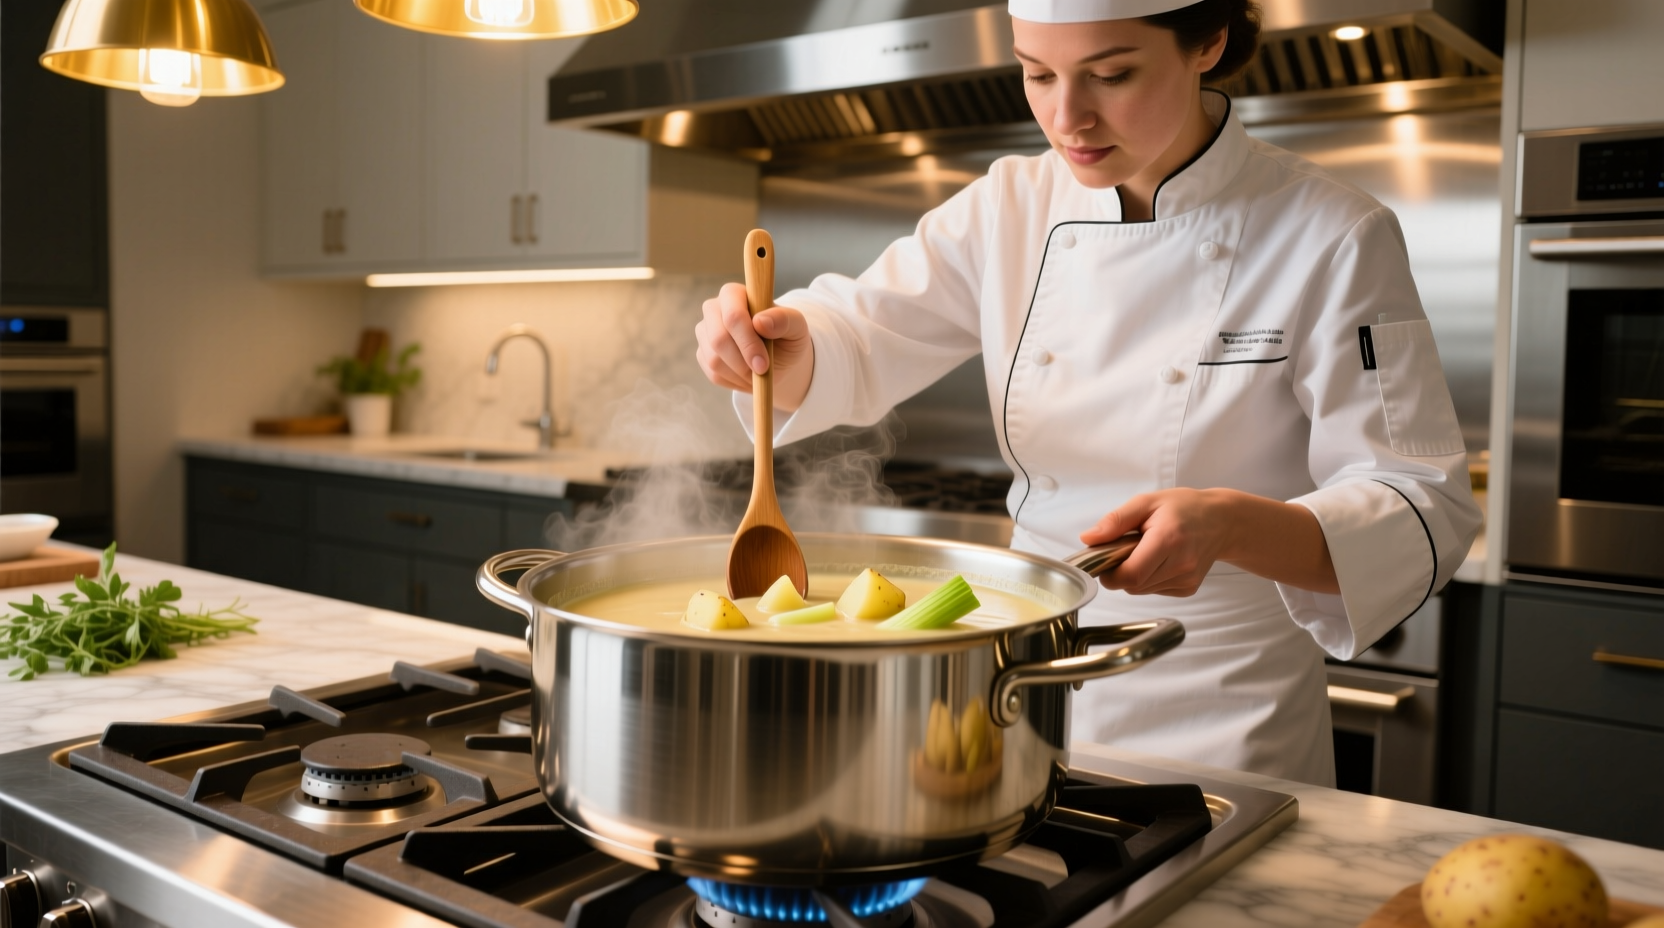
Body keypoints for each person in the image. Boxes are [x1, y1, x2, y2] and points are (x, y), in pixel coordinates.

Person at [693, 0, 1482, 785]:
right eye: (1036, 74)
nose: (1067, 116)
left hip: (1221, 715)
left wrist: (1233, 526)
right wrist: (776, 347)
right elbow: (857, 335)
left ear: (1208, 42)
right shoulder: (1009, 205)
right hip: (1012, 685)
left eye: (1111, 74)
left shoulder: (1332, 233)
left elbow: (1422, 502)